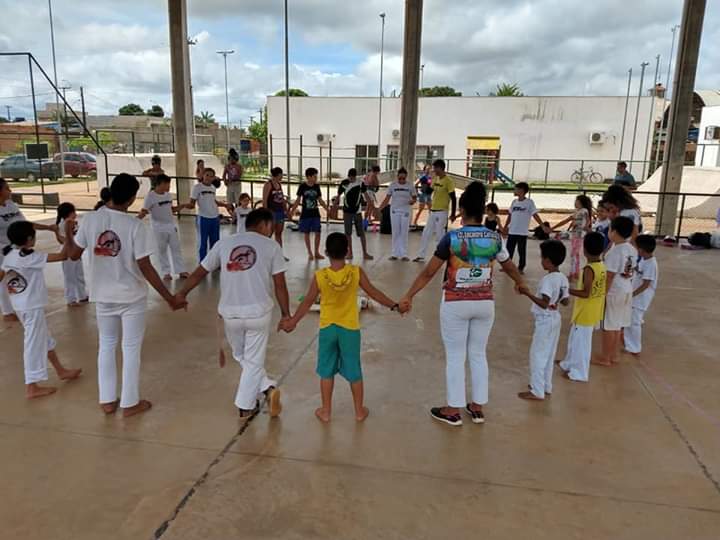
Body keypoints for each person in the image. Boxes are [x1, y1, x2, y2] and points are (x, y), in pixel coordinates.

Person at [400, 181, 526, 426]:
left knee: (456, 356)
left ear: (463, 211)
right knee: (478, 354)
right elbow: (509, 266)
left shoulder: (453, 238)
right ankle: (477, 407)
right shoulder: (493, 238)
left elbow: (429, 272)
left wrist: (409, 295)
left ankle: (453, 410)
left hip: (456, 304)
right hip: (484, 304)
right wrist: (521, 283)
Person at [64, 173, 185, 417]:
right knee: (130, 349)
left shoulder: (90, 220)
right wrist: (170, 298)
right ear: (131, 199)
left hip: (103, 297)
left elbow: (74, 254)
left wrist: (68, 233)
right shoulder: (134, 226)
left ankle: (107, 401)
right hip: (131, 298)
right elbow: (146, 267)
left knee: (106, 346)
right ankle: (130, 403)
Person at [176, 208, 289, 418]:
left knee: (241, 356)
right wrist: (285, 314)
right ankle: (247, 404)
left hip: (230, 314)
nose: (272, 231)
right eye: (271, 226)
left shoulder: (225, 244)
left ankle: (266, 388)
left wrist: (182, 293)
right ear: (264, 225)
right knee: (253, 361)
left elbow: (200, 272)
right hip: (258, 314)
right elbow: (280, 285)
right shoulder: (271, 246)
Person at [280, 232, 402, 423]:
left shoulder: (320, 276)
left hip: (328, 328)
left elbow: (307, 302)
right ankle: (359, 411)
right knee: (354, 370)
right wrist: (394, 305)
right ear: (347, 251)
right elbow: (374, 294)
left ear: (326, 252)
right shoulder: (356, 272)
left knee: (326, 371)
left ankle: (326, 411)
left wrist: (293, 321)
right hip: (350, 329)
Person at [1, 221, 82, 398]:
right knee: (33, 344)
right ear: (29, 239)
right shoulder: (29, 257)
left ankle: (60, 370)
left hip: (21, 304)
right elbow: (62, 256)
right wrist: (68, 234)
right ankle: (32, 386)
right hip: (31, 306)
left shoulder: (9, 253)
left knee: (43, 339)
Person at [517, 240, 569, 400]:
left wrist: (527, 293)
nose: (541, 261)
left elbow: (544, 303)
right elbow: (566, 301)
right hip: (555, 318)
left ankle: (537, 390)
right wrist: (556, 301)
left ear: (547, 260)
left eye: (542, 258)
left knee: (537, 354)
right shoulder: (562, 278)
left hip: (545, 320)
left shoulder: (548, 280)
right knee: (549, 353)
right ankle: (546, 385)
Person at [0, 178, 58, 322]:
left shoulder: (11, 205)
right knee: (4, 278)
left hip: (17, 248)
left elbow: (25, 225)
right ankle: (7, 310)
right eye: (7, 188)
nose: (10, 191)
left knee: (22, 276)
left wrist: (48, 227)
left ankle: (22, 305)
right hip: (2, 250)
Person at [558, 232, 607, 382]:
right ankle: (568, 363)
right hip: (589, 311)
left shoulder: (589, 270)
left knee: (582, 345)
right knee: (575, 339)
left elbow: (586, 293)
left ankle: (579, 372)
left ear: (584, 250)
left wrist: (567, 289)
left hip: (586, 313)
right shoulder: (601, 266)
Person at [593, 216, 637, 367]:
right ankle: (614, 355)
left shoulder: (615, 252)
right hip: (626, 289)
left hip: (614, 291)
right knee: (618, 325)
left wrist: (602, 295)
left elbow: (609, 276)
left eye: (610, 229)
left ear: (615, 232)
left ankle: (605, 357)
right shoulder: (632, 249)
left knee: (608, 326)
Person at [137, 174, 188, 281]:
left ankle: (180, 270)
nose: (169, 186)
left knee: (176, 248)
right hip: (158, 227)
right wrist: (133, 221)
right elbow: (144, 211)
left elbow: (171, 209)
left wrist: (182, 206)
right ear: (160, 184)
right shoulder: (150, 197)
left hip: (170, 225)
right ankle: (166, 272)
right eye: (167, 184)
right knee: (162, 250)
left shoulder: (168, 195)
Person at [177, 167, 232, 261]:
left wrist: (224, 205)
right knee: (202, 242)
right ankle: (202, 263)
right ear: (203, 175)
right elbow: (192, 204)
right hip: (203, 218)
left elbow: (213, 201)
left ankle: (214, 261)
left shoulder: (213, 188)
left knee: (215, 242)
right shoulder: (197, 187)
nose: (209, 178)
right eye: (207, 175)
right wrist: (182, 206)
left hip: (215, 218)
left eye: (211, 176)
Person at [413, 159, 456, 262]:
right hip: (433, 210)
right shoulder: (435, 179)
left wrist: (453, 213)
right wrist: (421, 186)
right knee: (426, 233)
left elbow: (453, 198)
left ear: (441, 168)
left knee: (439, 235)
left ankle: (442, 256)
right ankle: (421, 255)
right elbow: (429, 191)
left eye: (435, 168)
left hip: (442, 211)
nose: (434, 170)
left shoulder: (448, 181)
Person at [623, 235, 658, 356]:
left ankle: (634, 347)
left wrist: (632, 294)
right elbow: (639, 271)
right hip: (636, 296)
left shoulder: (651, 264)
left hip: (641, 298)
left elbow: (646, 284)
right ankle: (629, 343)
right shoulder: (644, 260)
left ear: (642, 250)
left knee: (635, 321)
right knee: (630, 319)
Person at [503, 182, 548, 273]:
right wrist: (506, 226)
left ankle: (521, 267)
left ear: (522, 190)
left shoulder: (529, 203)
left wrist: (542, 226)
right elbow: (510, 215)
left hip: (522, 232)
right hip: (512, 230)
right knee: (509, 250)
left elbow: (535, 214)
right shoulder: (514, 202)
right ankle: (508, 266)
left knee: (521, 251)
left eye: (516, 189)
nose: (514, 191)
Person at [289, 167, 328, 261]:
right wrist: (292, 211)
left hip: (315, 213)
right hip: (306, 213)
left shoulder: (316, 186)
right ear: (309, 177)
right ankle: (310, 252)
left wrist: (327, 209)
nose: (316, 178)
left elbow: (320, 200)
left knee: (318, 232)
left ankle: (316, 252)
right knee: (306, 233)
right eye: (314, 176)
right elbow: (298, 200)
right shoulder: (302, 186)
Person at [378, 167, 417, 260]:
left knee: (404, 232)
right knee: (395, 232)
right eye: (400, 178)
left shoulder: (410, 185)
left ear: (406, 177)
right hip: (395, 211)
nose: (402, 180)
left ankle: (404, 254)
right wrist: (379, 209)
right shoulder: (393, 185)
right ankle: (394, 253)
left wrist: (413, 201)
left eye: (403, 178)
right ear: (397, 177)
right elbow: (387, 199)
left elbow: (415, 197)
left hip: (406, 211)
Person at [551, 195, 592, 281]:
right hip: (576, 235)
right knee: (575, 255)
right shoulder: (578, 212)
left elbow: (587, 221)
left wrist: (585, 227)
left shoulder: (583, 211)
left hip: (579, 235)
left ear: (580, 202)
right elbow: (567, 220)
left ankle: (572, 274)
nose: (575, 202)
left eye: (576, 200)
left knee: (574, 254)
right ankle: (575, 273)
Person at [54, 202, 88, 306]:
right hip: (67, 252)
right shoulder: (64, 224)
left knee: (79, 274)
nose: (75, 213)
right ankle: (71, 299)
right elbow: (62, 240)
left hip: (75, 251)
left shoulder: (73, 223)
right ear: (69, 213)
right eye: (74, 211)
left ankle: (82, 295)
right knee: (70, 276)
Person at [338, 168, 373, 260]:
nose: (351, 179)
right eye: (350, 177)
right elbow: (338, 195)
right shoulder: (344, 183)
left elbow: (366, 196)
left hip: (357, 212)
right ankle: (350, 253)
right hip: (347, 212)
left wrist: (371, 206)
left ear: (355, 176)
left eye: (353, 178)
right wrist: (333, 207)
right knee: (348, 233)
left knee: (361, 233)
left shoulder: (360, 183)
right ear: (348, 176)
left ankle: (365, 253)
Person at [263, 167, 288, 250]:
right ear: (277, 175)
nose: (282, 177)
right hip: (271, 211)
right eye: (281, 175)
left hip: (280, 211)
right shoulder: (268, 184)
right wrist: (266, 213)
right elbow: (265, 200)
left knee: (279, 233)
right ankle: (266, 251)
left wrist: (285, 209)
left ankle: (279, 252)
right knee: (269, 233)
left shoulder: (279, 184)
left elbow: (282, 198)